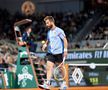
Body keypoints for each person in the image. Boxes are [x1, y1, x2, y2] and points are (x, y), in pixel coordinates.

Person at [39, 16, 68, 89]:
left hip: (58, 53)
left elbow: (65, 40)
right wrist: (45, 44)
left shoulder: (59, 31)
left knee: (61, 68)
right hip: (50, 53)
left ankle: (64, 84)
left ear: (52, 22)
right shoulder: (49, 32)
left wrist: (65, 50)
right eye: (46, 23)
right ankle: (47, 84)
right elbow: (48, 40)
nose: (46, 25)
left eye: (48, 23)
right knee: (49, 67)